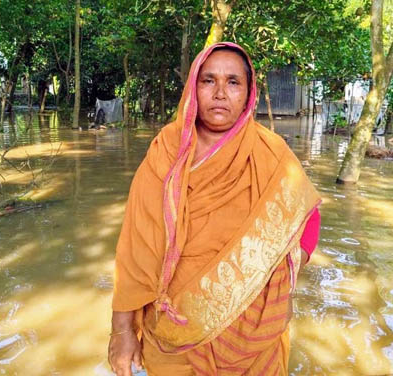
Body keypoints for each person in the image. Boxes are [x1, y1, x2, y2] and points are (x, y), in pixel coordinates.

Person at [108, 42, 321, 376]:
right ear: (194, 88)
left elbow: (307, 218)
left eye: (233, 82)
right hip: (173, 330)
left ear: (249, 92)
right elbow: (136, 248)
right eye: (209, 81)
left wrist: (268, 274)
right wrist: (121, 331)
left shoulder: (270, 153)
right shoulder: (166, 151)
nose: (221, 92)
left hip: (250, 333)